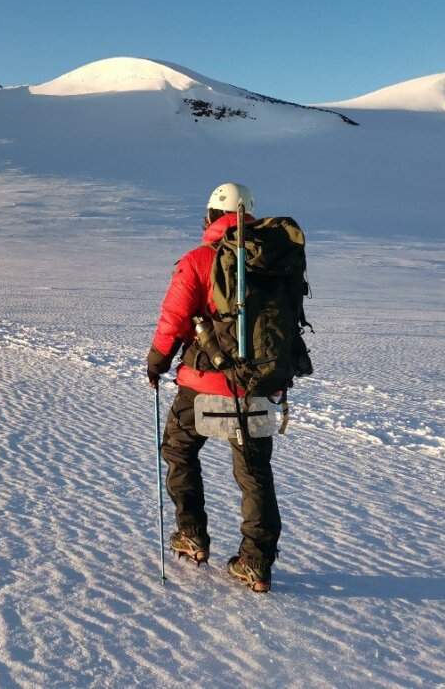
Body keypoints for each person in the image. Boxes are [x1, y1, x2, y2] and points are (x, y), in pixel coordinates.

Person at [146, 182, 279, 593]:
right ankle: (255, 562)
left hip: (202, 384)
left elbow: (175, 319)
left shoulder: (200, 260)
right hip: (256, 384)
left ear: (209, 217)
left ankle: (192, 535)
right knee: (254, 474)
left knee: (179, 449)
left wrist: (157, 362)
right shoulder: (270, 258)